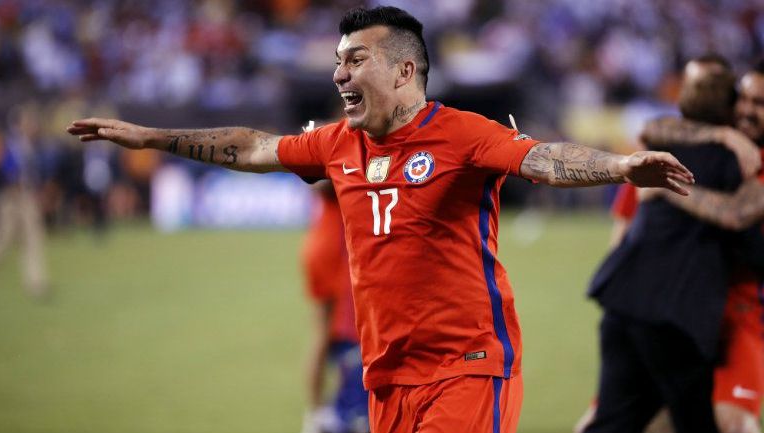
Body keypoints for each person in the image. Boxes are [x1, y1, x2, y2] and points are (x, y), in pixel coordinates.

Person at [67, 6, 693, 432]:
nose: (340, 73)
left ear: (403, 70)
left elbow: (544, 158)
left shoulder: (462, 134)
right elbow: (253, 145)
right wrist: (151, 137)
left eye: (355, 60)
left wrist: (619, 165)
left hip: (467, 366)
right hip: (386, 375)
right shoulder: (339, 142)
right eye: (338, 61)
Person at [584, 55, 744, 433]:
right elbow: (742, 224)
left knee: (617, 419)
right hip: (676, 313)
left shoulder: (664, 145)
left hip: (633, 300)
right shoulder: (724, 156)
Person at [634, 61, 764, 433]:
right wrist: (724, 137)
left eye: (760, 103)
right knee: (649, 420)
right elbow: (651, 129)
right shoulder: (717, 142)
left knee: (733, 420)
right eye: (745, 99)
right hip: (683, 306)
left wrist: (666, 189)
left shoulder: (754, 161)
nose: (746, 111)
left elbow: (736, 214)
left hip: (741, 310)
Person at [301, 181, 368, 433]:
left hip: (326, 240)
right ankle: (340, 411)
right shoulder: (344, 149)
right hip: (337, 247)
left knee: (324, 332)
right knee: (349, 330)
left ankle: (317, 413)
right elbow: (321, 183)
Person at [0, 103, 49, 298]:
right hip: (10, 197)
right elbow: (3, 169)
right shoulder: (7, 143)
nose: (33, 125)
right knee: (3, 240)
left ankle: (36, 283)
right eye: (29, 121)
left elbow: (33, 172)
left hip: (26, 196)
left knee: (33, 239)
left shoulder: (29, 145)